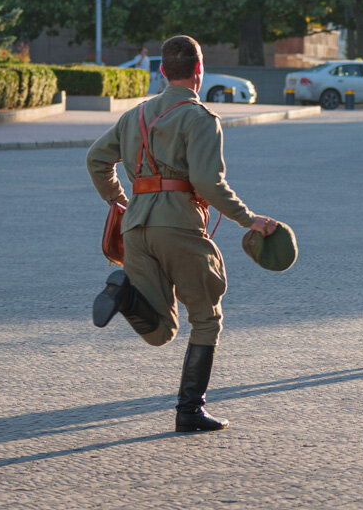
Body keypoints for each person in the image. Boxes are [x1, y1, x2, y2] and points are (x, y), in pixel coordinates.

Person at [86, 35, 278, 433]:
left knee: (161, 331)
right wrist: (249, 220)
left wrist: (120, 202)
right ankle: (189, 411)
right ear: (199, 70)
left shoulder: (134, 115)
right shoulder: (200, 118)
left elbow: (96, 159)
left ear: (161, 71)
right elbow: (209, 183)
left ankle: (123, 294)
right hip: (179, 226)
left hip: (137, 228)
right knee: (206, 318)